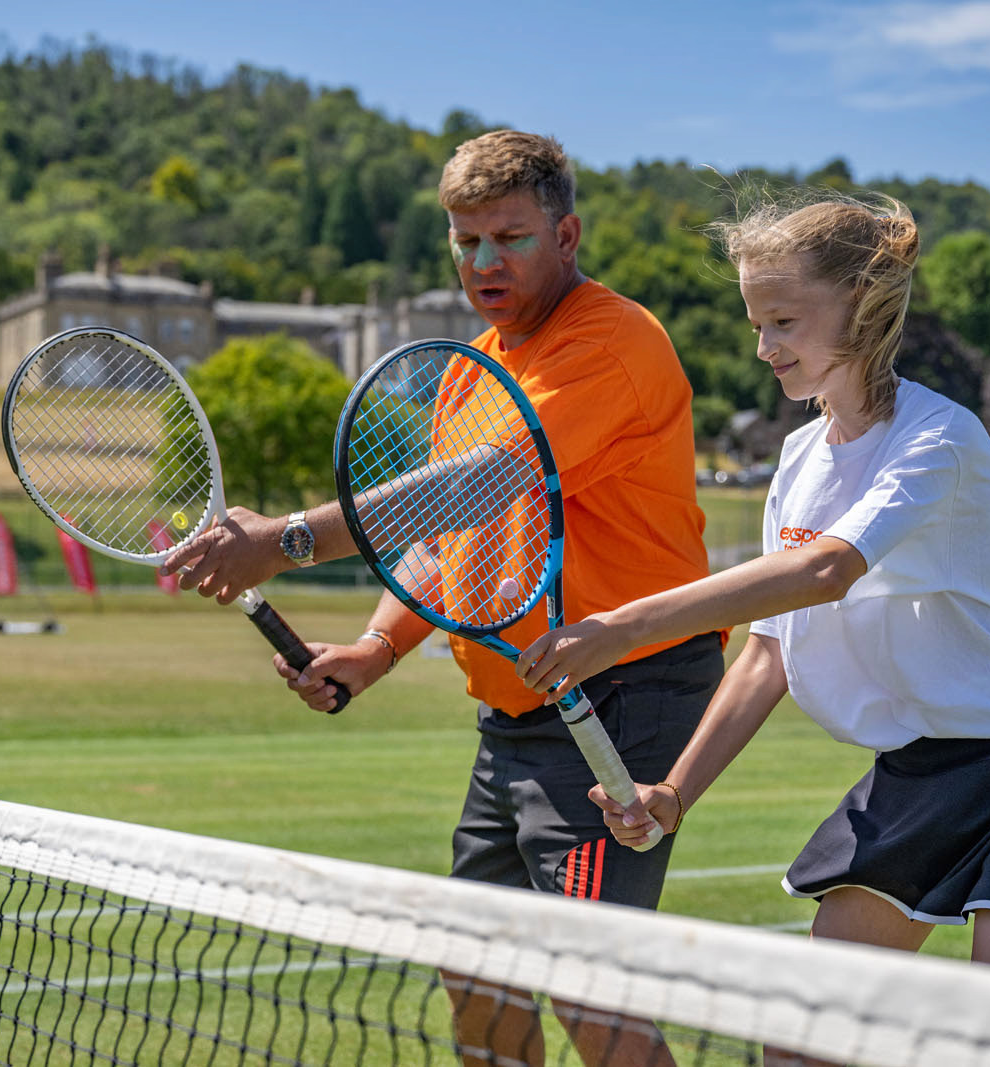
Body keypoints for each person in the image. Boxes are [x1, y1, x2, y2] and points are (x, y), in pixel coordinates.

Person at [162, 129, 724, 1067]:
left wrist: (285, 541)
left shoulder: (614, 341)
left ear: (568, 234)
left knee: (591, 991)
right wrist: (374, 650)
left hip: (622, 696)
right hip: (514, 713)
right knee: (478, 984)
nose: (483, 261)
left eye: (508, 237)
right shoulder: (472, 369)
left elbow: (476, 486)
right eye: (465, 242)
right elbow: (445, 546)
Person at [515, 192, 990, 1064]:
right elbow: (769, 651)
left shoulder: (939, 440)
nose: (763, 346)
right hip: (912, 774)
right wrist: (674, 793)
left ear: (860, 303)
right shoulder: (798, 456)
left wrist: (623, 627)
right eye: (756, 321)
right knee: (800, 1043)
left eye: (783, 318)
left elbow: (822, 570)